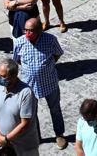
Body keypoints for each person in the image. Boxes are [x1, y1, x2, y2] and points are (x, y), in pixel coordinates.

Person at [12, 18, 67, 149]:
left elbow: (57, 54)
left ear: (39, 30)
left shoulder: (50, 40)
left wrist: (46, 67)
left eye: (31, 30)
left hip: (50, 83)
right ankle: (36, 136)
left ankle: (59, 135)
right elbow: (17, 60)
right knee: (31, 113)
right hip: (29, 85)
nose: (27, 33)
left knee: (55, 109)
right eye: (26, 30)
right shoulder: (19, 42)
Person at [0, 58, 40, 156]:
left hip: (24, 147)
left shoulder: (26, 93)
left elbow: (25, 124)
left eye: (3, 76)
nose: (0, 78)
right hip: (5, 145)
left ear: (14, 76)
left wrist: (6, 138)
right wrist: (0, 137)